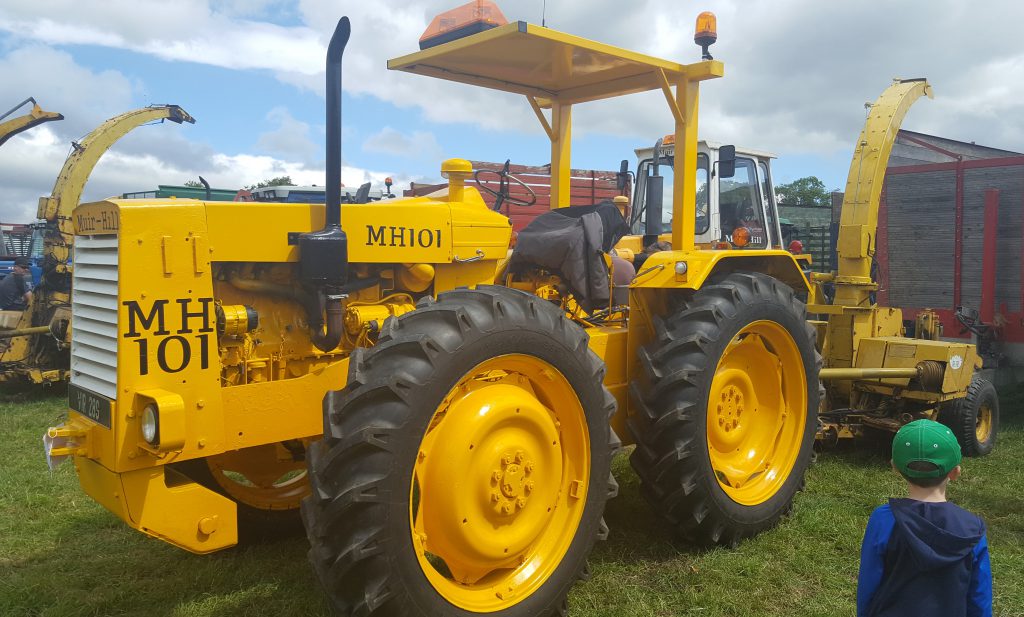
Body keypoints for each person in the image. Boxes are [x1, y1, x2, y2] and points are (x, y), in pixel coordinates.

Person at [857, 419, 992, 617]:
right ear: (955, 472)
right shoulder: (973, 528)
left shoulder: (883, 519)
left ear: (895, 468)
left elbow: (869, 582)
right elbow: (979, 596)